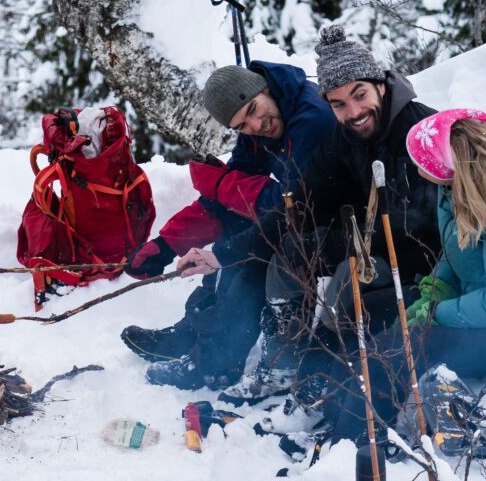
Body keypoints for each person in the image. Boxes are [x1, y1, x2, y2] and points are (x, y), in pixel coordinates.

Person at [232, 26, 443, 405]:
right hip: (373, 245)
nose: (354, 112)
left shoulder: (420, 132)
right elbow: (308, 199)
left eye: (359, 95)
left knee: (352, 277)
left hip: (425, 267)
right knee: (292, 253)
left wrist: (344, 244)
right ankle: (284, 356)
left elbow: (418, 228)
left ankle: (331, 370)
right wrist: (230, 250)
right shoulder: (346, 138)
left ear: (379, 84)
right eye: (339, 104)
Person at [121, 59, 337, 390]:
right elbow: (230, 198)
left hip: (339, 222)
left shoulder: (312, 120)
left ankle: (214, 364)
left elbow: (291, 203)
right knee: (238, 229)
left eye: (254, 109)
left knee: (251, 260)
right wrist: (166, 245)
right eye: (242, 125)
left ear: (263, 89)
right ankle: (193, 334)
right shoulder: (261, 124)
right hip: (304, 216)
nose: (256, 124)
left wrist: (221, 186)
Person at [326, 110, 486, 446]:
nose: (417, 170)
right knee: (369, 311)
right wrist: (434, 290)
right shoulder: (453, 191)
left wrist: (434, 314)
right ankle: (332, 412)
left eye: (422, 162)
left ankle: (354, 443)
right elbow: (456, 255)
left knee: (397, 347)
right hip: (469, 310)